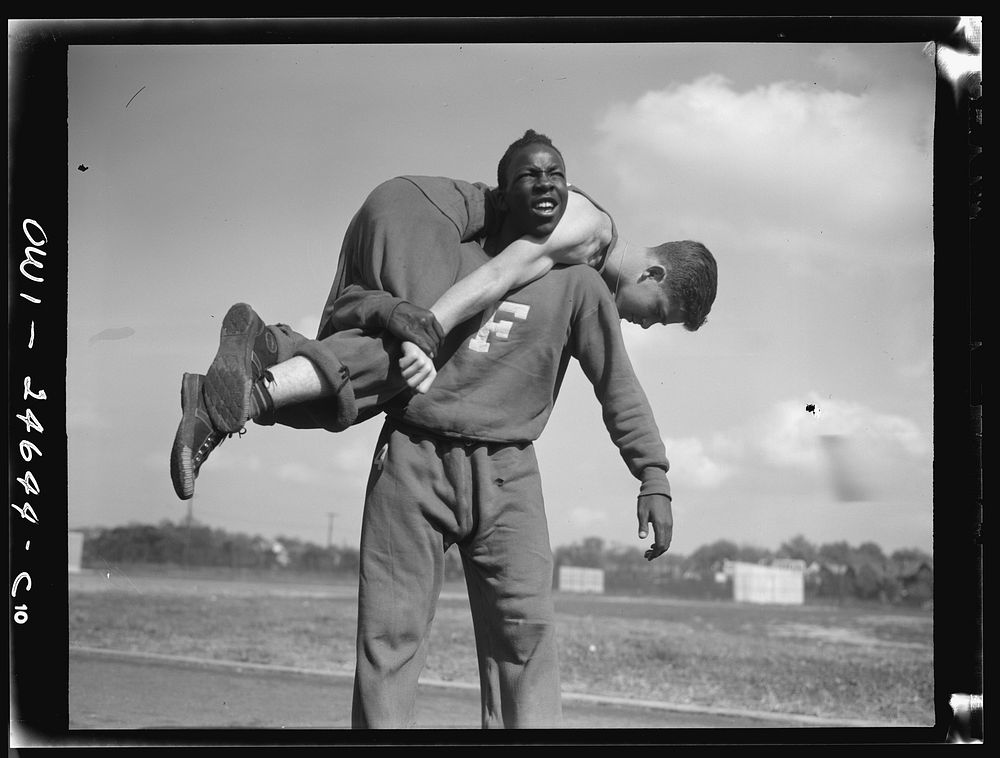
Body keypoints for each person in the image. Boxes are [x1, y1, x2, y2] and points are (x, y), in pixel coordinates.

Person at [170, 132, 716, 507]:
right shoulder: (589, 231)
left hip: (397, 208)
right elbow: (497, 276)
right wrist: (424, 336)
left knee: (352, 369)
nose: (644, 328)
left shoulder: (588, 248)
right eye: (658, 318)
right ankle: (236, 400)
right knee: (401, 363)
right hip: (421, 214)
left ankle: (256, 362)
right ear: (657, 275)